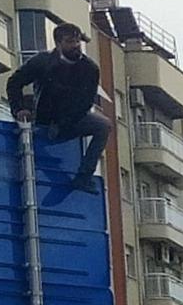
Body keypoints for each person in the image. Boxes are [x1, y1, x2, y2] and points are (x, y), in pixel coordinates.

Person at [6, 22, 112, 194]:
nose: (76, 46)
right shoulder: (42, 62)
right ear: (58, 43)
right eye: (70, 42)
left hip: (71, 121)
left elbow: (86, 102)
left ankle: (83, 178)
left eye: (78, 41)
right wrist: (18, 110)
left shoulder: (89, 68)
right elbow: (14, 83)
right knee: (37, 158)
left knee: (104, 125)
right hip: (43, 120)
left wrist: (64, 123)